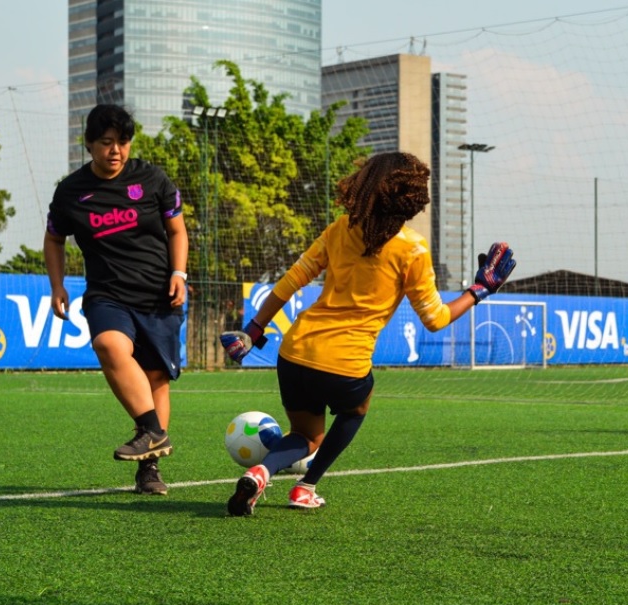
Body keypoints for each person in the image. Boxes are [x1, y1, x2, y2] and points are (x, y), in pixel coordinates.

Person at [218, 151, 516, 516]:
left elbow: (292, 279)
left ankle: (261, 471)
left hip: (295, 352)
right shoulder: (413, 249)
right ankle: (305, 487)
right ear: (411, 198)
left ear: (366, 186)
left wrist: (253, 329)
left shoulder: (341, 228)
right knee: (356, 408)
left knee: (305, 436)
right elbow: (435, 319)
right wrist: (478, 291)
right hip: (345, 363)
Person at [44, 104, 189, 494]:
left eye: (123, 143)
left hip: (159, 294)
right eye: (106, 143)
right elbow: (55, 238)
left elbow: (177, 231)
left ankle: (150, 468)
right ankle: (155, 431)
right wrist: (57, 285)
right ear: (89, 144)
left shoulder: (152, 178)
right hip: (107, 294)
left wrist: (179, 273)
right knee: (108, 344)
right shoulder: (71, 191)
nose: (116, 151)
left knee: (156, 377)